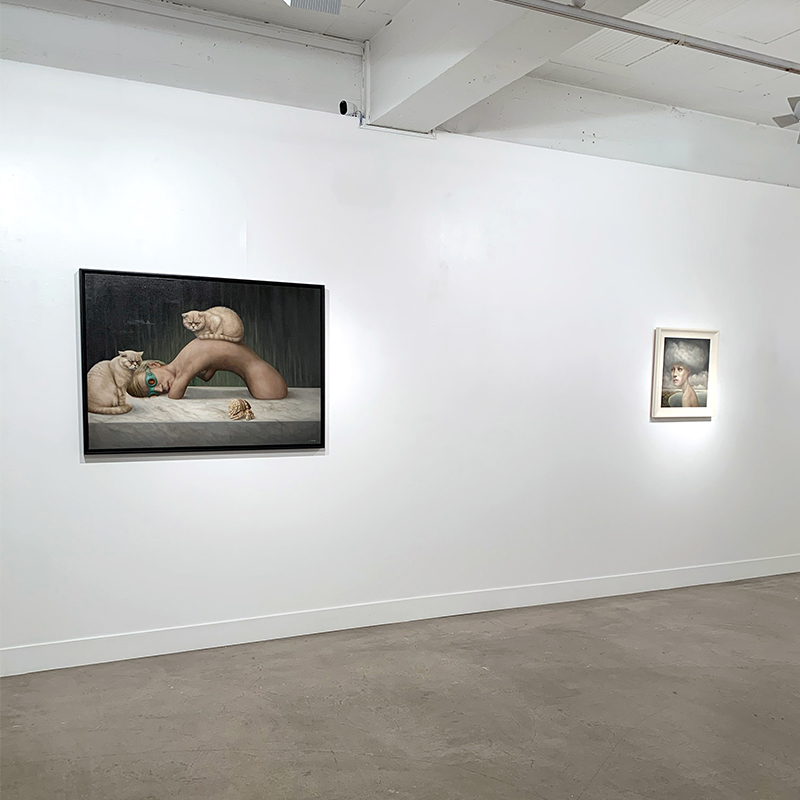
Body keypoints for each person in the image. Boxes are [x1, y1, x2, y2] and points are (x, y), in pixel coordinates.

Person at [128, 339, 287, 400]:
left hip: (265, 381)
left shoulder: (185, 363)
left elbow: (175, 395)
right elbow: (207, 374)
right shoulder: (183, 358)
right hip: (255, 373)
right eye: (153, 393)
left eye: (152, 381)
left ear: (154, 365)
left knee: (267, 396)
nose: (159, 388)